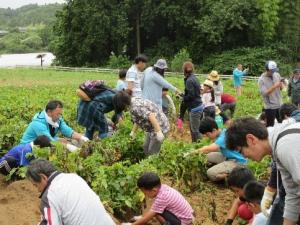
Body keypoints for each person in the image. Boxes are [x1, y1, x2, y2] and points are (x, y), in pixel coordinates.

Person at [225, 117, 300, 225]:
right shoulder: (277, 150)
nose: (244, 156)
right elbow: (293, 194)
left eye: (241, 151)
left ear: (251, 139)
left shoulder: (286, 147)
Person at [26, 159, 116, 225]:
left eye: (36, 185)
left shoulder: (49, 195)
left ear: (43, 177)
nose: (38, 190)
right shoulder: (74, 177)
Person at [186, 117, 247, 182]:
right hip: (228, 157)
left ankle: (235, 174)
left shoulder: (223, 138)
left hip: (238, 162)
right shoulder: (223, 132)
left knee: (210, 173)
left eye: (207, 134)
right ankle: (224, 167)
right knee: (208, 156)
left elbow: (208, 149)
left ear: (214, 130)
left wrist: (192, 153)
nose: (207, 137)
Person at [121, 172, 194, 225]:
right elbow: (153, 210)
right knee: (155, 210)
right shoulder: (163, 188)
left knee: (155, 212)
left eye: (144, 192)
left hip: (183, 222)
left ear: (153, 190)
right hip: (187, 217)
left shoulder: (162, 197)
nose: (144, 194)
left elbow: (148, 217)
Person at [21, 100, 88, 144]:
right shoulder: (38, 124)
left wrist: (84, 139)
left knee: (69, 140)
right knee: (64, 144)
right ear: (49, 112)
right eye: (57, 114)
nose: (59, 116)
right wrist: (70, 147)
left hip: (45, 143)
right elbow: (49, 141)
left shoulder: (58, 119)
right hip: (29, 148)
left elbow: (67, 131)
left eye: (60, 114)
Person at [182, 61, 203, 142]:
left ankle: (201, 146)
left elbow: (191, 95)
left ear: (184, 70)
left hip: (195, 108)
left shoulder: (189, 81)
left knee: (195, 130)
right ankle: (195, 145)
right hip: (198, 105)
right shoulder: (194, 78)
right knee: (193, 129)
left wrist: (183, 98)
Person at [258, 60, 283, 127]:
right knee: (270, 125)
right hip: (270, 107)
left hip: (280, 104)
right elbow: (264, 93)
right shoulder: (261, 79)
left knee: (282, 123)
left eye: (275, 70)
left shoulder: (277, 75)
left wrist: (281, 86)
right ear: (267, 70)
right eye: (272, 71)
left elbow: (280, 88)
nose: (273, 72)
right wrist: (275, 86)